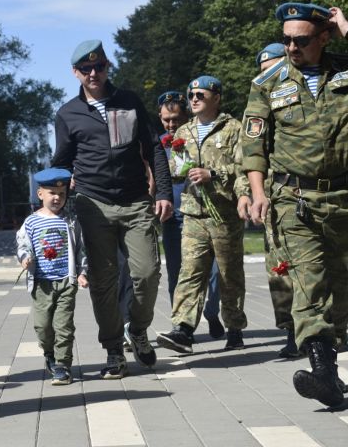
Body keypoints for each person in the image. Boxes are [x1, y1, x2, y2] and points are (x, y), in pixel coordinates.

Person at [243, 2, 348, 407]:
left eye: (302, 39)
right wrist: (258, 193)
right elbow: (253, 145)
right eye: (286, 40)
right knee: (309, 284)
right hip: (295, 200)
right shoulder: (268, 82)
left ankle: (330, 356)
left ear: (323, 37)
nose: (292, 47)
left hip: (343, 199)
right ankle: (323, 372)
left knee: (339, 283)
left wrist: (347, 26)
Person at [52, 40, 173, 379]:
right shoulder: (67, 114)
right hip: (93, 205)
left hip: (136, 201)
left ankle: (138, 329)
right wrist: (49, 205)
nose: (94, 73)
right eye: (86, 69)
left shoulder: (129, 101)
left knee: (147, 273)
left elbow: (153, 147)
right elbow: (61, 160)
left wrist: (163, 191)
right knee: (103, 282)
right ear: (76, 73)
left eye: (100, 67)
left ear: (107, 67)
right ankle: (113, 350)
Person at [156, 76, 251, 354]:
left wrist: (214, 175)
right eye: (191, 94)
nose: (193, 98)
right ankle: (183, 329)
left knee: (228, 274)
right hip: (193, 212)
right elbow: (177, 170)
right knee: (190, 271)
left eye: (200, 94)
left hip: (224, 213)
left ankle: (234, 328)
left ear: (216, 97)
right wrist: (179, 165)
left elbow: (243, 168)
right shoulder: (183, 131)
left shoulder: (233, 128)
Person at [158, 91, 224, 339]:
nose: (172, 125)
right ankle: (181, 326)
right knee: (177, 272)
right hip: (174, 217)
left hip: (204, 213)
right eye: (166, 120)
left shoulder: (197, 138)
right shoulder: (158, 144)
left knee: (216, 272)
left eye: (176, 119)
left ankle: (211, 311)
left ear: (185, 115)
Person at [16, 168, 88, 385]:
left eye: (62, 194)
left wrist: (83, 272)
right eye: (52, 193)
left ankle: (63, 366)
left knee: (63, 326)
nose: (57, 198)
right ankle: (49, 353)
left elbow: (81, 249)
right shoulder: (31, 222)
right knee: (43, 326)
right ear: (40, 194)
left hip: (66, 281)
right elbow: (22, 243)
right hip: (41, 283)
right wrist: (25, 258)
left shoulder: (71, 221)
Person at [254, 43, 301, 358]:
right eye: (263, 71)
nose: (268, 75)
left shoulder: (303, 93)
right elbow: (250, 151)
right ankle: (291, 331)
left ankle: (324, 329)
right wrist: (252, 192)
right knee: (278, 266)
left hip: (303, 190)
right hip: (272, 194)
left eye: (273, 67)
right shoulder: (259, 102)